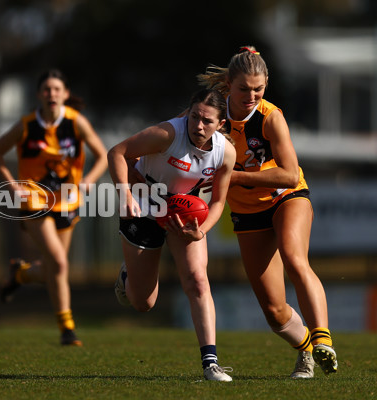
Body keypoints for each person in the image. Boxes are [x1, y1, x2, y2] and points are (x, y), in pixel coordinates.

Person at [197, 46, 337, 378]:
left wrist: (234, 176)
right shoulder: (211, 117)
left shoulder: (270, 117)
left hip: (286, 197)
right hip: (246, 213)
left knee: (294, 257)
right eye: (244, 88)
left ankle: (323, 340)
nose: (252, 95)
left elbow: (289, 174)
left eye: (258, 89)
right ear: (228, 84)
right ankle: (305, 350)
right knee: (274, 312)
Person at [107, 89, 236, 382]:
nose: (198, 126)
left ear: (221, 125)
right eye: (194, 117)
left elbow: (217, 202)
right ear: (187, 114)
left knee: (197, 280)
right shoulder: (167, 134)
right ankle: (128, 277)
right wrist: (124, 194)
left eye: (207, 121)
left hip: (182, 213)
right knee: (143, 302)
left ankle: (211, 363)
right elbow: (116, 152)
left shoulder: (225, 152)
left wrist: (199, 232)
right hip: (143, 205)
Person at [0, 69, 107, 346]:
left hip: (67, 200)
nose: (51, 94)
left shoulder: (76, 123)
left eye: (56, 89)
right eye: (46, 89)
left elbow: (102, 155)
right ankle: (67, 328)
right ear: (39, 94)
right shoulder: (27, 125)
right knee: (60, 262)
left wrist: (88, 180)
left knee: (56, 268)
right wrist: (12, 185)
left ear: (65, 94)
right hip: (34, 200)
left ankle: (21, 273)